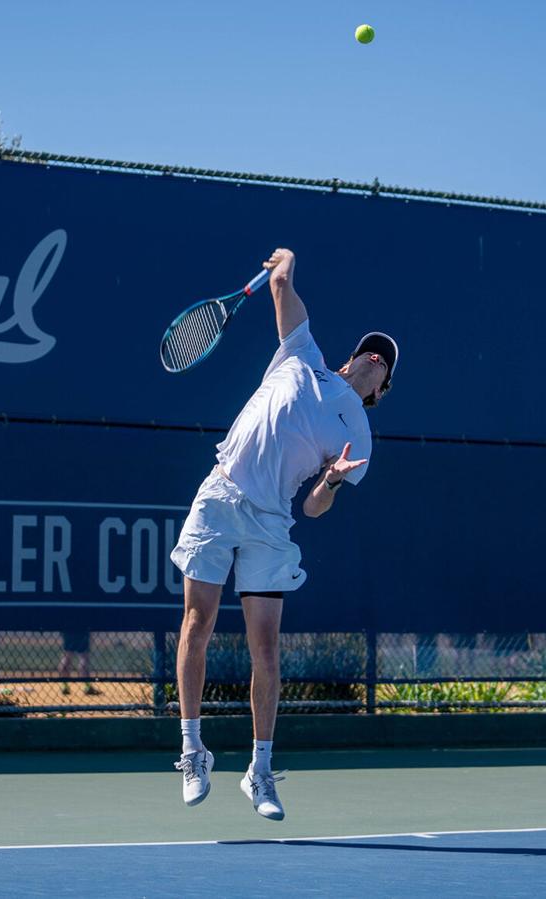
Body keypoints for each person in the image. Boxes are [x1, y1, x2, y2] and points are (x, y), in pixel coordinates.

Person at [169, 247, 398, 820]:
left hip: (272, 522)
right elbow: (280, 287)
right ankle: (193, 749)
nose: (376, 356)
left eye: (385, 362)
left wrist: (331, 482)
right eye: (372, 349)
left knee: (264, 649)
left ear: (380, 389)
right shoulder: (302, 352)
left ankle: (260, 770)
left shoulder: (359, 435)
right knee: (196, 625)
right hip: (220, 496)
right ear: (353, 357)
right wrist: (287, 260)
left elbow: (317, 508)